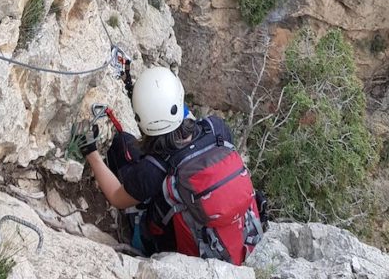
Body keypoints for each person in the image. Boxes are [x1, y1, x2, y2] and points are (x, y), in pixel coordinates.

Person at [74, 66, 265, 261]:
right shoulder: (216, 129)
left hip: (172, 247)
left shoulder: (153, 169)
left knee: (122, 144)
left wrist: (91, 152)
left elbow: (116, 197)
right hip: (236, 236)